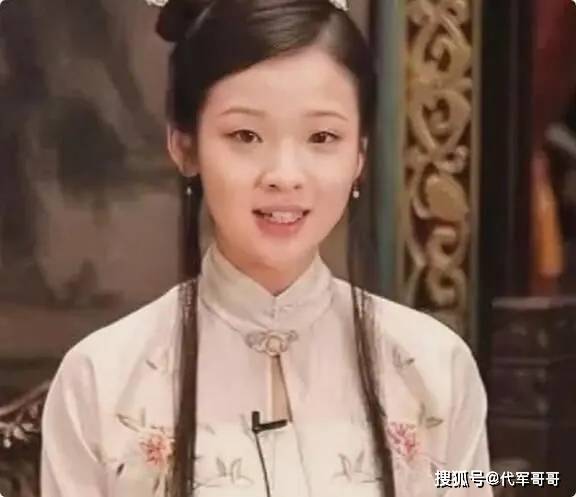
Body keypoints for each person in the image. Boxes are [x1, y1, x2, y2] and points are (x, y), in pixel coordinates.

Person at [40, 0, 492, 496]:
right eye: (245, 135)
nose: (284, 175)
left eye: (322, 136)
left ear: (360, 155)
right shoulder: (100, 380)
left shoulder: (435, 368)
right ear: (184, 146)